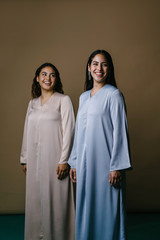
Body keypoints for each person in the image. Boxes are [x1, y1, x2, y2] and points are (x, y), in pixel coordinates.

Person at [69, 50, 132, 240]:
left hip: (106, 164)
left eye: (104, 64)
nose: (99, 68)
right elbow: (78, 131)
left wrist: (117, 166)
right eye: (95, 64)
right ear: (89, 67)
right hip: (85, 165)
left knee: (107, 208)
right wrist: (74, 161)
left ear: (109, 69)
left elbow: (120, 132)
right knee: (87, 205)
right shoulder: (83, 97)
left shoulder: (114, 95)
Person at [20, 63, 75, 240]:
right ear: (37, 78)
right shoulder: (32, 104)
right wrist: (25, 159)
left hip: (55, 159)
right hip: (35, 161)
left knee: (57, 202)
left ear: (56, 79)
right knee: (35, 201)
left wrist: (64, 160)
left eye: (52, 75)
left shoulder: (63, 100)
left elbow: (70, 131)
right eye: (44, 74)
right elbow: (26, 130)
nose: (47, 78)